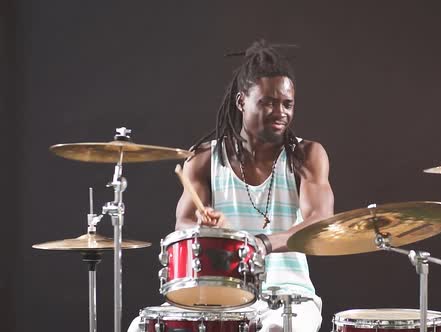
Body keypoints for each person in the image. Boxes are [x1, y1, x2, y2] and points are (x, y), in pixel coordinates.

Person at [127, 40, 333, 332]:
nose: (280, 112)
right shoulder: (203, 158)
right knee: (141, 326)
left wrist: (261, 243)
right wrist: (207, 231)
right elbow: (183, 223)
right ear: (241, 102)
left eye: (287, 104)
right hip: (220, 294)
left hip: (289, 296)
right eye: (268, 102)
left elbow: (320, 223)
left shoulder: (307, 156)